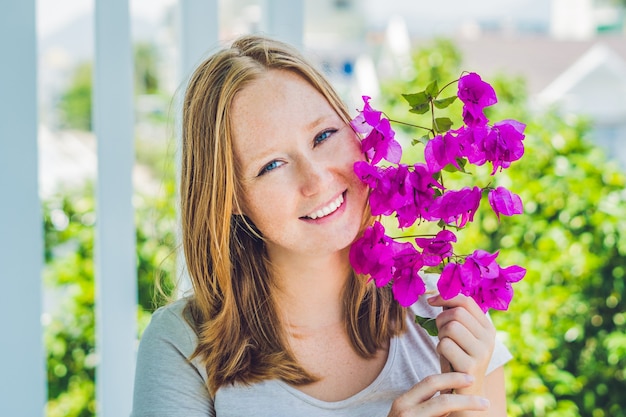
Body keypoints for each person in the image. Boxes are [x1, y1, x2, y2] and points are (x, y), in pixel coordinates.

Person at [131, 34, 512, 417]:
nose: (315, 180)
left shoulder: (452, 318)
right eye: (271, 165)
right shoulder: (183, 344)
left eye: (323, 135)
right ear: (229, 198)